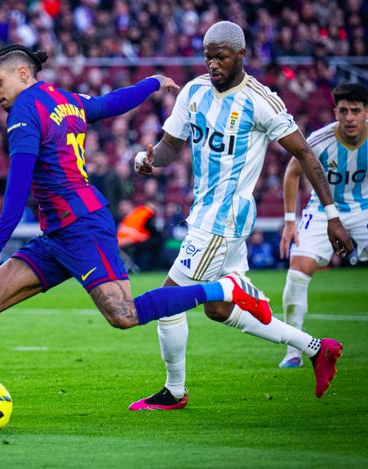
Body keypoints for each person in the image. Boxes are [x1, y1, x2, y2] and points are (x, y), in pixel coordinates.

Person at [0, 44, 275, 427]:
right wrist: (152, 83)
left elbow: (17, 189)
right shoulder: (64, 99)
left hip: (83, 227)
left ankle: (225, 289)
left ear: (23, 74)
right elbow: (109, 104)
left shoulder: (24, 109)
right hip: (57, 233)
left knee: (123, 315)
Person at [131, 21, 354, 411]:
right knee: (218, 310)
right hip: (206, 214)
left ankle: (175, 391)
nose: (213, 64)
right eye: (208, 57)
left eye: (221, 56)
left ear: (241, 55)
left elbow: (303, 152)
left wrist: (332, 215)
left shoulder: (260, 100)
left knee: (167, 302)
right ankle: (316, 348)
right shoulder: (194, 92)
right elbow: (170, 146)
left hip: (224, 219)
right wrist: (149, 160)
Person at [278, 83, 367, 368]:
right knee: (297, 270)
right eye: (344, 111)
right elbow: (292, 172)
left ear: (366, 112)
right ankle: (293, 351)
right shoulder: (319, 140)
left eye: (356, 111)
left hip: (364, 208)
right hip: (321, 211)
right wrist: (290, 222)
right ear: (335, 112)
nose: (349, 118)